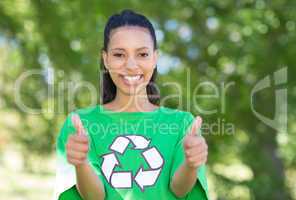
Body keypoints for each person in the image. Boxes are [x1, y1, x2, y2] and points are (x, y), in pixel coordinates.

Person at [54, 9, 209, 200]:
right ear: (106, 59)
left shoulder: (183, 124)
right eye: (119, 55)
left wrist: (191, 164)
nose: (131, 65)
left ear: (155, 58)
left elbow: (179, 189)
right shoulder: (80, 124)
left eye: (142, 54)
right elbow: (94, 197)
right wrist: (81, 163)